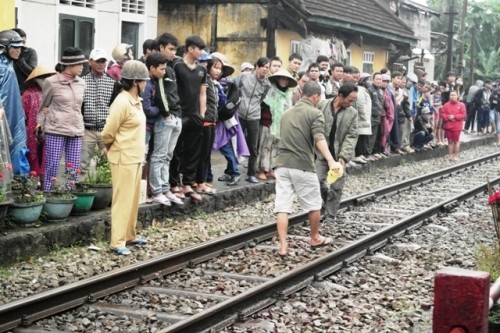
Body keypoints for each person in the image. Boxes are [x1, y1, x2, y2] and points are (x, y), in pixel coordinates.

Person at [273, 81, 337, 257]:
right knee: (314, 204)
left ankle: (283, 246)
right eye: (320, 97)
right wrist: (331, 161)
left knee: (283, 206)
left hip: (281, 165)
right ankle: (315, 237)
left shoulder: (286, 114)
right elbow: (319, 138)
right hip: (302, 165)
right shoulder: (315, 113)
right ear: (315, 96)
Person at [102, 60, 149, 255]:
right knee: (123, 199)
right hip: (123, 157)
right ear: (136, 82)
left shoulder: (137, 102)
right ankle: (117, 241)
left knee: (133, 199)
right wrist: (110, 148)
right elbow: (107, 133)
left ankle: (130, 235)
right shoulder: (121, 102)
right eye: (144, 81)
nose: (146, 84)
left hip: (135, 156)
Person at [36, 47, 87, 191]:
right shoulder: (51, 82)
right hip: (56, 129)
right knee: (52, 164)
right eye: (79, 64)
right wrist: (39, 125)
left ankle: (69, 195)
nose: (82, 67)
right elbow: (43, 106)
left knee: (73, 166)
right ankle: (48, 193)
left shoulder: (82, 83)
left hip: (76, 129)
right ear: (70, 65)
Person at [142, 52, 183, 206]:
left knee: (167, 156)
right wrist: (163, 113)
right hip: (155, 122)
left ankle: (165, 189)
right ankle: (157, 190)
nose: (164, 72)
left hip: (166, 119)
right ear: (151, 68)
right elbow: (149, 106)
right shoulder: (149, 83)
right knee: (158, 156)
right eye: (161, 69)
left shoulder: (157, 80)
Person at [172, 35, 208, 202]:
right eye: (199, 48)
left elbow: (203, 93)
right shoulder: (177, 66)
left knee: (193, 152)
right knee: (176, 150)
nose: (201, 52)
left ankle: (188, 183)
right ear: (190, 48)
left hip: (195, 115)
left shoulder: (202, 70)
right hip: (179, 114)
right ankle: (174, 184)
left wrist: (201, 115)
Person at [316, 83, 358, 223]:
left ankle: (330, 215)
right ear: (340, 96)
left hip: (338, 155)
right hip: (321, 154)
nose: (352, 103)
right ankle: (326, 199)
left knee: (337, 185)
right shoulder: (322, 106)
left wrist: (344, 156)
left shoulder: (352, 113)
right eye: (350, 100)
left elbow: (352, 135)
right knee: (317, 180)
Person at [211, 52, 248, 186]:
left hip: (224, 121)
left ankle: (235, 172)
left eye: (219, 68)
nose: (217, 71)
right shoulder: (218, 83)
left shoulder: (225, 85)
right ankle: (229, 171)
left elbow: (225, 104)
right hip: (219, 120)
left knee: (225, 146)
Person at [80, 48, 116, 173]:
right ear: (90, 62)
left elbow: (114, 107)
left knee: (106, 164)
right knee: (82, 164)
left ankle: (104, 191)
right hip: (87, 129)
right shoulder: (82, 81)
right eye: (98, 61)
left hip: (105, 129)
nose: (101, 64)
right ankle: (81, 189)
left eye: (103, 61)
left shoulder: (113, 83)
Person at [257, 69, 296, 180]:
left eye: (286, 79)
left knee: (276, 148)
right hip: (267, 123)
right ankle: (261, 169)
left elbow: (289, 109)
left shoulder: (288, 94)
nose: (284, 81)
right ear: (278, 78)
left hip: (281, 125)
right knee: (264, 146)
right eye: (282, 78)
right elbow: (263, 106)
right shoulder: (269, 90)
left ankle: (271, 169)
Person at [238, 57, 271, 183]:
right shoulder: (244, 77)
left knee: (253, 146)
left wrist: (253, 108)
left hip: (254, 116)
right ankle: (231, 171)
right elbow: (236, 89)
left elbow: (261, 98)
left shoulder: (267, 84)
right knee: (235, 144)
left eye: (267, 67)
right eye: (262, 66)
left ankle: (251, 173)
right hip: (240, 114)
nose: (264, 69)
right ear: (256, 66)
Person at [0, 30, 29, 175]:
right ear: (5, 47)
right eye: (15, 47)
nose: (19, 50)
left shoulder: (9, 64)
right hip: (3, 116)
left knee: (18, 149)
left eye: (20, 47)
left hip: (15, 115)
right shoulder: (1, 66)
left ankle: (20, 185)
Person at [21, 65, 56, 183]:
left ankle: (43, 186)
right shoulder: (28, 94)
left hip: (49, 130)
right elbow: (23, 114)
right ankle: (33, 186)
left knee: (45, 158)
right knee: (34, 157)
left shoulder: (52, 94)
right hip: (32, 132)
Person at [441, 91, 466, 161]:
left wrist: (454, 116)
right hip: (448, 125)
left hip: (457, 126)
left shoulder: (461, 105)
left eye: (454, 95)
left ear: (457, 96)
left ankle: (456, 155)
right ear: (449, 96)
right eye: (451, 95)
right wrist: (448, 117)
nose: (453, 96)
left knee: (456, 141)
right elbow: (442, 113)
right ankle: (450, 155)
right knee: (450, 141)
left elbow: (463, 114)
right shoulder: (446, 105)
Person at [12, 28, 38, 94]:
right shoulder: (7, 53)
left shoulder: (30, 52)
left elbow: (33, 73)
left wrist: (20, 59)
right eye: (19, 42)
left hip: (24, 92)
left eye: (23, 42)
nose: (21, 45)